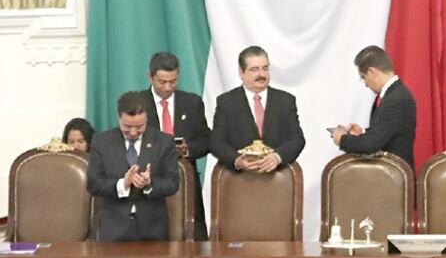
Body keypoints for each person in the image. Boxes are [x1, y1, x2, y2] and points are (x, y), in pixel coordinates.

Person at [87, 91, 179, 241]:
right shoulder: (102, 142)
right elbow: (93, 184)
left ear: (146, 118)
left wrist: (149, 184)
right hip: (114, 230)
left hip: (153, 230)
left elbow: (172, 183)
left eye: (139, 126)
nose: (133, 132)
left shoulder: (163, 142)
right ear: (119, 118)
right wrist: (122, 184)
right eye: (127, 126)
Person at [141, 51, 211, 240]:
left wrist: (187, 150)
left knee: (193, 241)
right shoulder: (137, 104)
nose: (167, 87)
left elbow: (207, 140)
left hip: (186, 184)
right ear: (150, 77)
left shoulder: (192, 103)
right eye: (162, 82)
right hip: (149, 184)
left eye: (172, 82)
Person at [210, 45, 305, 173]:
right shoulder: (226, 102)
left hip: (278, 176)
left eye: (265, 68)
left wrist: (277, 157)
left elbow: (297, 139)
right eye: (254, 69)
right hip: (239, 178)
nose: (261, 74)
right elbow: (216, 142)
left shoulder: (285, 101)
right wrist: (236, 160)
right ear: (241, 72)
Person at [331, 45, 417, 169]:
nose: (365, 84)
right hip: (391, 172)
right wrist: (363, 132)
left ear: (372, 72)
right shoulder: (396, 94)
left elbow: (370, 145)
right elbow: (386, 133)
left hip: (394, 175)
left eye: (363, 77)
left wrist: (342, 139)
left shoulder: (395, 99)